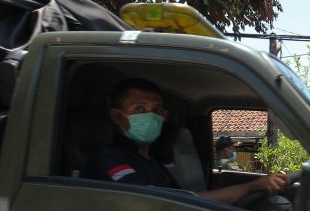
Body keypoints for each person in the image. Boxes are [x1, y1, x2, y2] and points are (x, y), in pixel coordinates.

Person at [82, 78, 287, 204]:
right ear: (117, 117)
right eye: (139, 109)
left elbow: (185, 200)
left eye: (156, 110)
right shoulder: (108, 161)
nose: (150, 116)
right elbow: (161, 203)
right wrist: (250, 187)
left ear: (164, 116)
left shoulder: (152, 163)